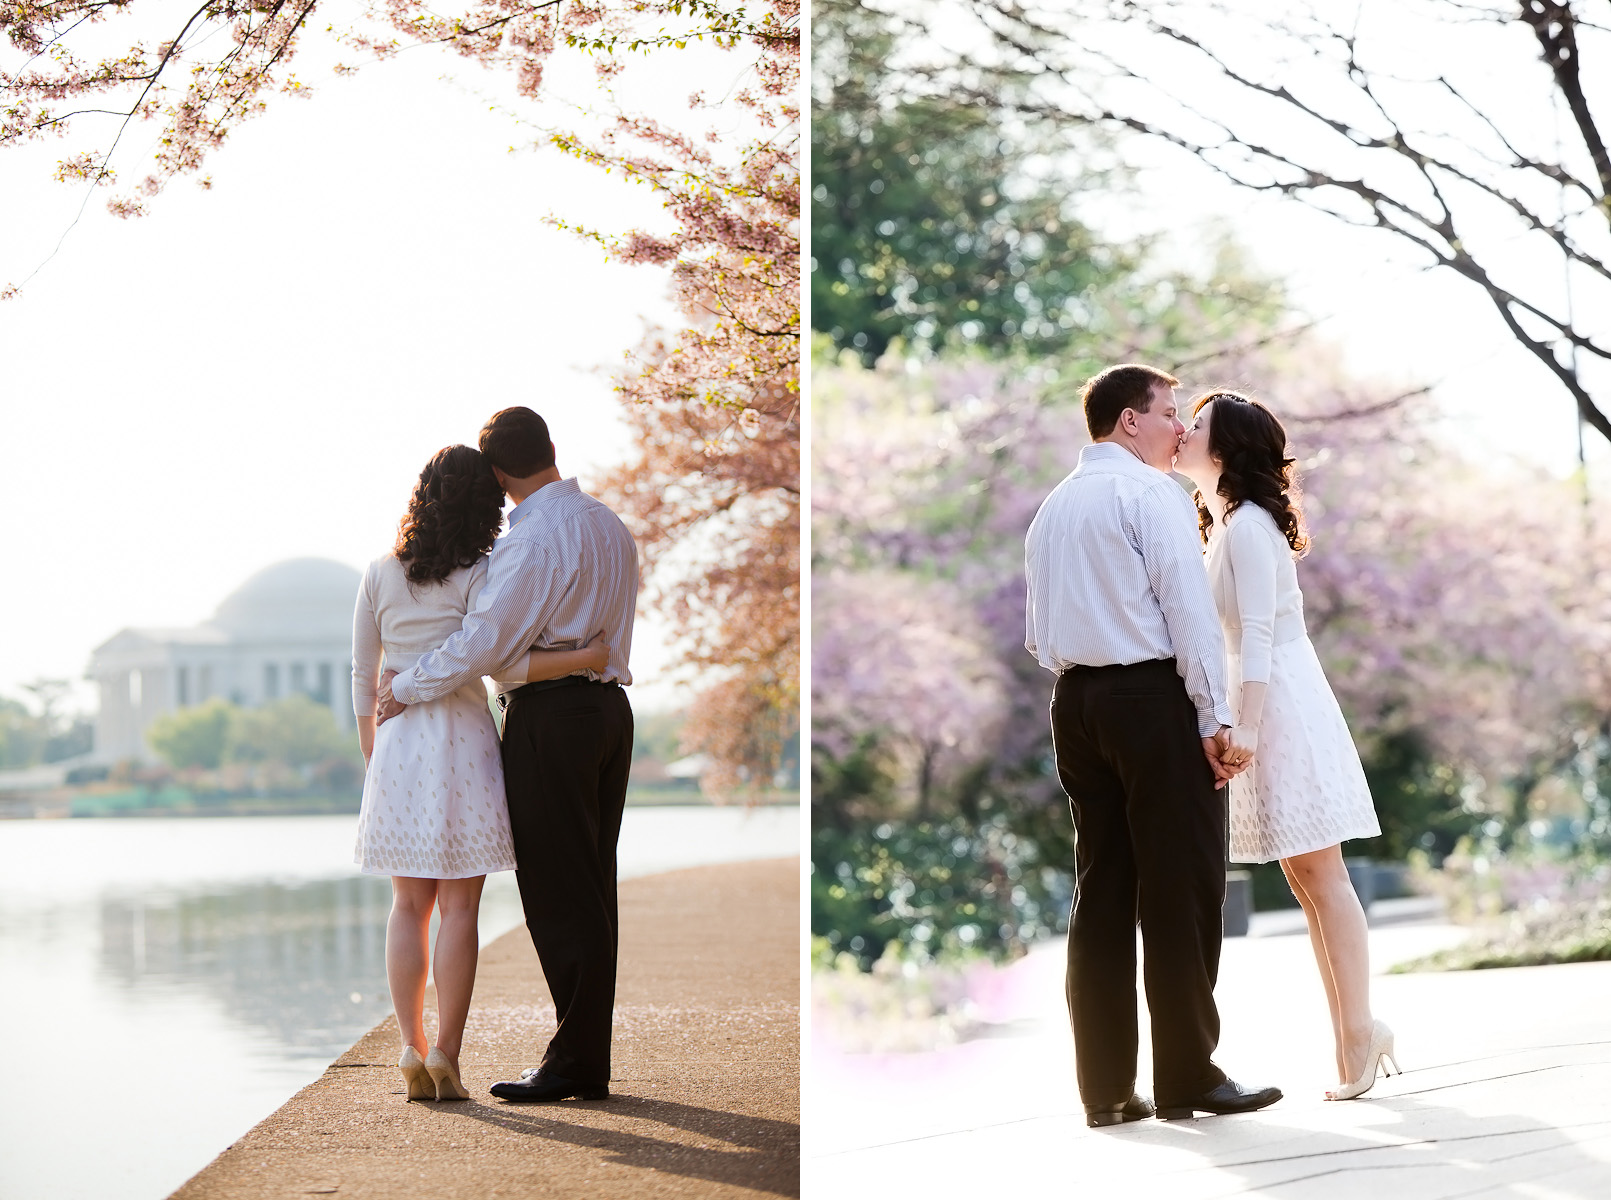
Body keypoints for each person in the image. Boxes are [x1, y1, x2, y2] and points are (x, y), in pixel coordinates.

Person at [1024, 362, 1283, 1126]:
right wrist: (1213, 719)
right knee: (1184, 889)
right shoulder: (1151, 495)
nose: (1179, 427)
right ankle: (1187, 1078)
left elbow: (1039, 636)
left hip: (1073, 702)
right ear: (1128, 421)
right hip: (1150, 699)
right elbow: (1190, 620)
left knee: (1100, 892)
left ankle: (1104, 1090)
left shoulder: (1052, 507)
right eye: (1169, 411)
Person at [376, 407, 638, 1104]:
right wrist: (570, 657)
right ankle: (582, 1055)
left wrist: (404, 685)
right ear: (552, 448)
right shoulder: (608, 525)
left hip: (554, 723)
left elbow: (486, 650)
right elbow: (596, 642)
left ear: (497, 475)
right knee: (590, 885)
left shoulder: (530, 544)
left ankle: (575, 1062)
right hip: (610, 714)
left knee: (557, 891)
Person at [1176, 390, 1396, 1101]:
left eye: (1197, 424)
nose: (1181, 430)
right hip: (1262, 699)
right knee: (1304, 880)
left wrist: (1245, 725)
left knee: (1320, 876)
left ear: (1225, 447)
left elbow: (1262, 633)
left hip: (1280, 704)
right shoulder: (1224, 524)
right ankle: (1350, 1041)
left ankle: (1359, 1033)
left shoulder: (1246, 527)